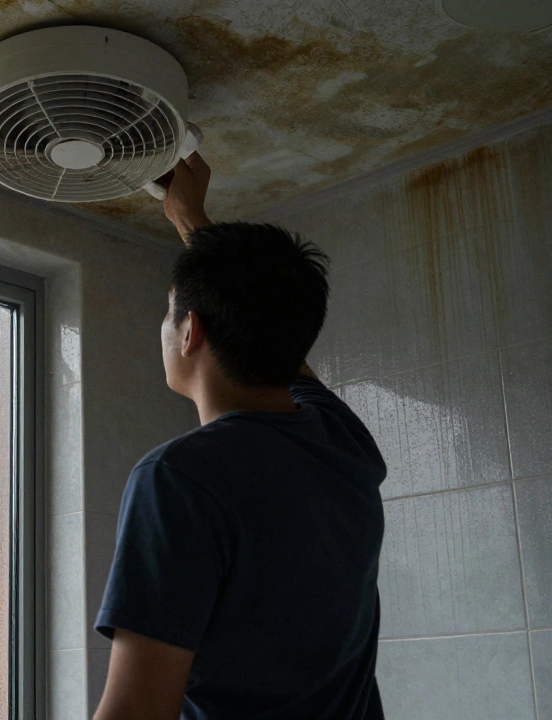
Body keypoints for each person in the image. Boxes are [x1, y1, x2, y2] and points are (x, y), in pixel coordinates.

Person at [92, 154, 388, 720]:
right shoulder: (343, 444)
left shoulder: (178, 478)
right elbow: (276, 334)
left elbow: (137, 710)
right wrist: (190, 220)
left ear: (189, 332)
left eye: (169, 312)